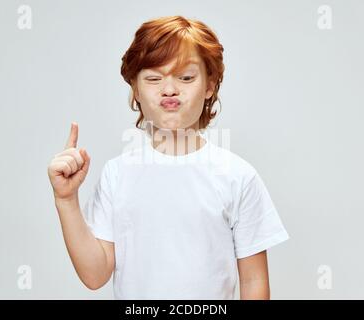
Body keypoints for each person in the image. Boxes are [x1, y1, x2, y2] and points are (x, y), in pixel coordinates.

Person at [47, 15, 289, 300]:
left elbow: (254, 280)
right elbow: (95, 274)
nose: (170, 88)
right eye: (153, 78)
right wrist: (66, 200)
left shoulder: (238, 176)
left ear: (210, 85)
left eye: (186, 77)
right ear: (136, 90)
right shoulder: (117, 174)